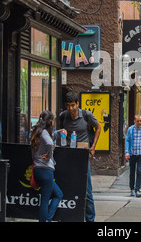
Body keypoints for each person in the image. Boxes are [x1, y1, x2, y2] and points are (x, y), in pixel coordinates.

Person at [58, 91, 101, 222]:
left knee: (87, 190)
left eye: (72, 105)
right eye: (68, 106)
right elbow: (59, 133)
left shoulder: (86, 115)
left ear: (77, 104)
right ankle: (69, 216)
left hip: (83, 156)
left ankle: (90, 219)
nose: (70, 108)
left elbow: (98, 127)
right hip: (68, 155)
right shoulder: (63, 116)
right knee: (67, 186)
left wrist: (93, 146)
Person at [30, 110, 63, 222]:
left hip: (37, 170)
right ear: (49, 121)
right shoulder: (44, 133)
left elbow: (47, 140)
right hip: (46, 171)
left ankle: (47, 219)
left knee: (58, 194)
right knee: (44, 201)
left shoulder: (35, 132)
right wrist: (49, 156)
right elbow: (49, 143)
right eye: (52, 120)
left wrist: (58, 132)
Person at [125, 115, 141, 197]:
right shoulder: (130, 129)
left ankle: (137, 189)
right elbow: (127, 140)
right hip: (132, 153)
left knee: (139, 171)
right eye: (138, 121)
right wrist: (127, 152)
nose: (140, 122)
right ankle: (132, 189)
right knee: (132, 172)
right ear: (134, 121)